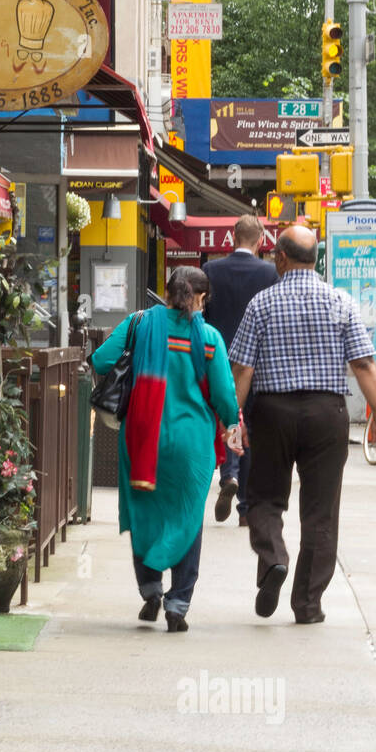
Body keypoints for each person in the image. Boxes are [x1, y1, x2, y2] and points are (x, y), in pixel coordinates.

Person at [229, 224, 376, 624]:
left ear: (281, 258)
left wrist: (235, 417)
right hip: (326, 416)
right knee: (321, 512)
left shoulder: (261, 304)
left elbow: (243, 369)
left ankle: (273, 559)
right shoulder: (340, 302)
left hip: (272, 413)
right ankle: (307, 604)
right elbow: (364, 364)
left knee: (265, 498)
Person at [90, 267, 242, 632]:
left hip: (143, 437)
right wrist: (233, 426)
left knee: (146, 511)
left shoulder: (138, 325)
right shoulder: (208, 338)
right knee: (187, 518)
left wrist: (142, 365)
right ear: (202, 298)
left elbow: (100, 361)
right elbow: (223, 395)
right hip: (192, 444)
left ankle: (150, 590)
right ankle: (178, 604)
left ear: (168, 291)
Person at [204, 213, 278, 525]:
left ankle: (228, 474)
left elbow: (201, 311)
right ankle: (246, 508)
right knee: (248, 429)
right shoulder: (270, 273)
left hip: (218, 358)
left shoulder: (211, 269)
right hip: (255, 363)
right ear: (260, 240)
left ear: (232, 238)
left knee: (228, 417)